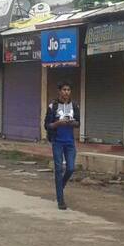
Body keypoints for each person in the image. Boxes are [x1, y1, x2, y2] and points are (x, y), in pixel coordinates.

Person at [44, 81, 81, 210]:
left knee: (70, 168)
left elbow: (78, 123)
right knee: (58, 169)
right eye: (64, 90)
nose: (66, 92)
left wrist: (71, 122)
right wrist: (57, 123)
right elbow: (47, 125)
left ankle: (61, 186)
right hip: (57, 142)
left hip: (70, 142)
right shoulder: (52, 106)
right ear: (59, 91)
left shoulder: (74, 106)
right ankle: (61, 200)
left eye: (68, 90)